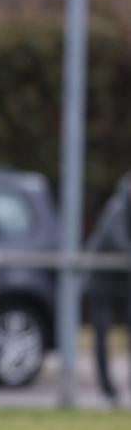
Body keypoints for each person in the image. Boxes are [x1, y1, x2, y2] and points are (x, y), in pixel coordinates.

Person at [85, 173, 131, 405]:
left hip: (123, 279)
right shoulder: (118, 206)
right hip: (101, 279)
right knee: (102, 333)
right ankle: (107, 389)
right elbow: (116, 239)